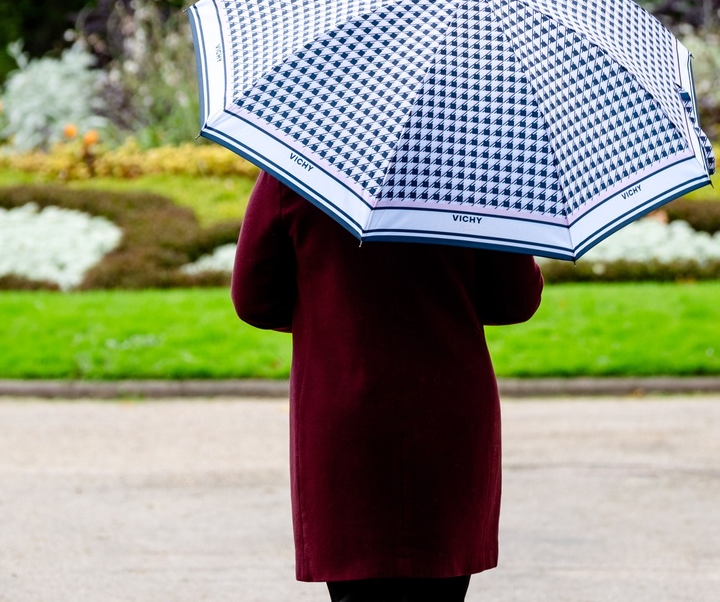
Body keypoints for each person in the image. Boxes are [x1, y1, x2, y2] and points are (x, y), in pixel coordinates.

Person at [232, 171, 544, 602]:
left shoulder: (296, 168)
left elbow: (254, 298)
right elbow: (514, 301)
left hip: (343, 400)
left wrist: (325, 314)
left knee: (355, 585)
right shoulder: (480, 166)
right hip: (447, 407)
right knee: (441, 584)